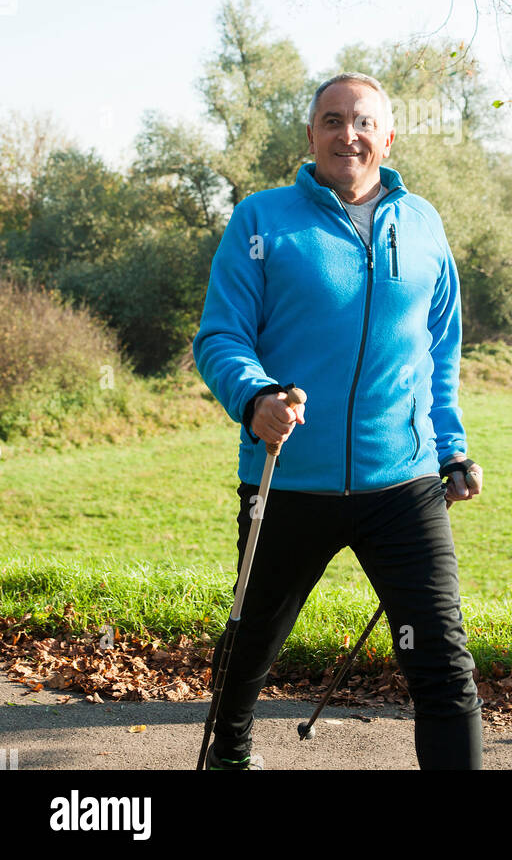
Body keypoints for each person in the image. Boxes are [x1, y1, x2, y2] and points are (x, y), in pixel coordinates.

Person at [192, 72, 484, 770]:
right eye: (330, 120)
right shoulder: (262, 220)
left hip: (402, 485)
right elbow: (220, 337)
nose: (345, 134)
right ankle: (230, 750)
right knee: (252, 641)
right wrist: (255, 396)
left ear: (386, 135)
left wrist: (451, 449)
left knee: (442, 663)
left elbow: (438, 350)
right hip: (289, 477)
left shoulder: (422, 224)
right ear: (310, 134)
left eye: (360, 122)